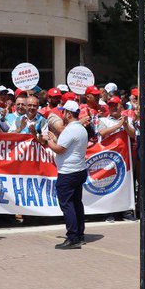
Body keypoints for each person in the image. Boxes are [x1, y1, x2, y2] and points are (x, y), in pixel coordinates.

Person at [42, 100, 89, 249]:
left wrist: (49, 140)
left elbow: (59, 149)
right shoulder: (80, 128)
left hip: (69, 172)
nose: (62, 114)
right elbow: (66, 147)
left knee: (68, 205)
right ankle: (79, 234)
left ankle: (73, 237)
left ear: (68, 113)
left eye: (63, 112)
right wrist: (54, 140)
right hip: (78, 170)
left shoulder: (70, 130)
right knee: (76, 203)